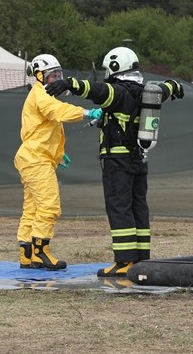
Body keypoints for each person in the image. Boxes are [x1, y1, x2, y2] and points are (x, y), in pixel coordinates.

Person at [46, 47, 185, 278]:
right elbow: (170, 86)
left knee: (119, 208)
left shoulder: (118, 92)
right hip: (139, 159)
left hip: (117, 160)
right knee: (138, 206)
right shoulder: (148, 91)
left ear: (114, 67)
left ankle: (124, 262)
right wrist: (176, 86)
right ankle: (141, 259)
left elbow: (96, 90)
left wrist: (68, 84)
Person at [15, 54, 100, 271]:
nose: (56, 80)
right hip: (36, 160)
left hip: (33, 157)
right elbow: (58, 112)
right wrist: (87, 112)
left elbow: (46, 131)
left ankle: (27, 254)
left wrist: (59, 154)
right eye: (52, 76)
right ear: (39, 75)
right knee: (49, 206)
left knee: (32, 208)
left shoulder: (42, 95)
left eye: (58, 75)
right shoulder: (41, 94)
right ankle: (41, 252)